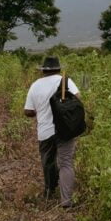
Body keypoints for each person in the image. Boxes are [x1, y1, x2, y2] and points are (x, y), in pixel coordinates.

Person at [24, 56, 80, 208]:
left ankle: (49, 192)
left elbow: (28, 111)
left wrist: (40, 110)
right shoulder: (65, 81)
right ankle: (66, 201)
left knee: (48, 163)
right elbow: (78, 99)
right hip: (65, 130)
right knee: (66, 163)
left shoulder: (35, 85)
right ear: (58, 69)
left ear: (43, 70)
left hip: (45, 131)